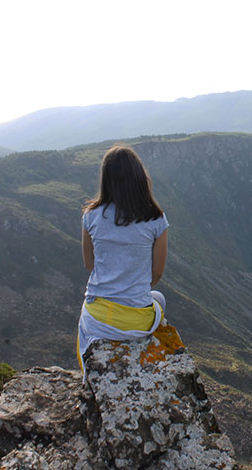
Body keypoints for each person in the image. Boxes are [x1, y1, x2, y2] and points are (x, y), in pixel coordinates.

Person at [76, 144, 170, 373]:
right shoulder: (156, 219)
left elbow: (89, 264)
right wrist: (134, 288)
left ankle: (89, 378)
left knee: (85, 318)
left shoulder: (90, 216)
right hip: (137, 321)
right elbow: (157, 272)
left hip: (98, 319)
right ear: (140, 177)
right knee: (159, 299)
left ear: (106, 180)